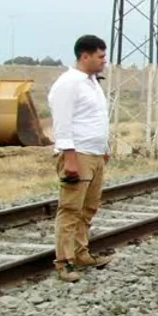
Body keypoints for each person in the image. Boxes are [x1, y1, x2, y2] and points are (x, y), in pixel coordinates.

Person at [47, 35, 111, 283]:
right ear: (85, 56)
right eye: (100, 56)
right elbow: (63, 122)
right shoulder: (69, 83)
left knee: (88, 207)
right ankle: (64, 261)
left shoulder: (92, 82)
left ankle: (81, 253)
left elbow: (96, 118)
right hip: (78, 154)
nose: (103, 61)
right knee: (71, 209)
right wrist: (69, 156)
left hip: (94, 154)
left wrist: (104, 147)